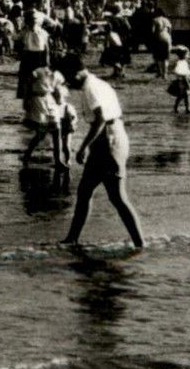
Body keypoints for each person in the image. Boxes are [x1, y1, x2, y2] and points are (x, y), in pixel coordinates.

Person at [61, 60, 144, 249]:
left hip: (109, 139)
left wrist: (83, 147)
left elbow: (100, 120)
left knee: (117, 196)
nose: (69, 84)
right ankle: (72, 239)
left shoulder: (91, 88)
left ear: (78, 73)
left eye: (68, 79)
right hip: (108, 137)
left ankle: (140, 243)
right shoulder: (98, 84)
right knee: (84, 191)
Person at [22, 65, 69, 168]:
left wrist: (59, 100)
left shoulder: (58, 75)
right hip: (37, 100)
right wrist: (25, 100)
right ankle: (27, 154)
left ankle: (58, 160)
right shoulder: (38, 71)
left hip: (50, 100)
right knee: (42, 132)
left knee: (57, 129)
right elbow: (27, 83)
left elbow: (58, 89)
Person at [168, 45, 190, 114]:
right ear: (183, 55)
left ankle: (177, 107)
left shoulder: (181, 62)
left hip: (182, 81)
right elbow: (184, 74)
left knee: (182, 95)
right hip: (183, 82)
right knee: (186, 95)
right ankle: (187, 108)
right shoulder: (181, 63)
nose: (188, 56)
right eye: (187, 55)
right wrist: (188, 83)